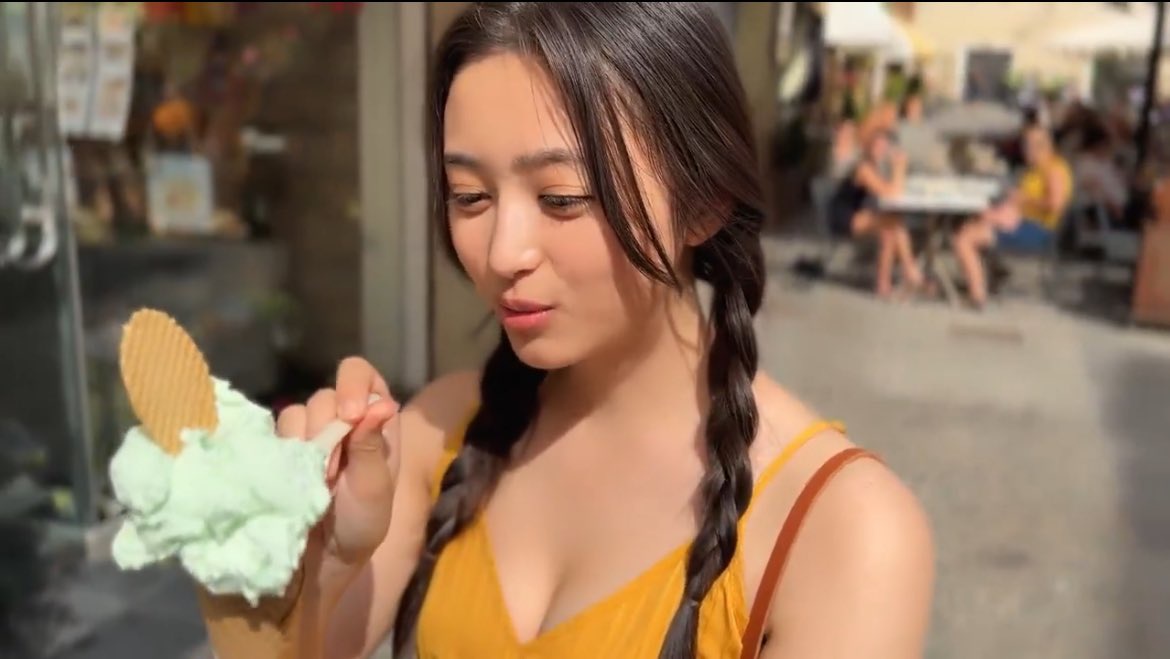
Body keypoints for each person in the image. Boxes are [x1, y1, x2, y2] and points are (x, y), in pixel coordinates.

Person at [199, 4, 934, 658]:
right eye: (469, 196)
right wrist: (321, 561)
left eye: (561, 197)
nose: (502, 252)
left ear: (704, 200)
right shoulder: (437, 435)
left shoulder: (843, 530)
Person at [952, 126, 1072, 308]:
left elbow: (1056, 204)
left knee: (964, 239)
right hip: (1022, 222)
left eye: (1026, 146)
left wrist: (1024, 199)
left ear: (1040, 147)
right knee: (970, 226)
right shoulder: (1035, 169)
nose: (1024, 151)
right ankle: (989, 275)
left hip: (1038, 230)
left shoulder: (1054, 169)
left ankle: (977, 294)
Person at [830, 129, 926, 299]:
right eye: (877, 146)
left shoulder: (875, 166)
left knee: (889, 231)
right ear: (868, 147)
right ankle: (909, 269)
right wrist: (899, 167)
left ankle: (885, 285)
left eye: (884, 147)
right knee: (893, 221)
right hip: (844, 217)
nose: (881, 150)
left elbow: (893, 190)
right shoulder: (863, 168)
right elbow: (891, 193)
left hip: (857, 213)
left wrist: (897, 170)